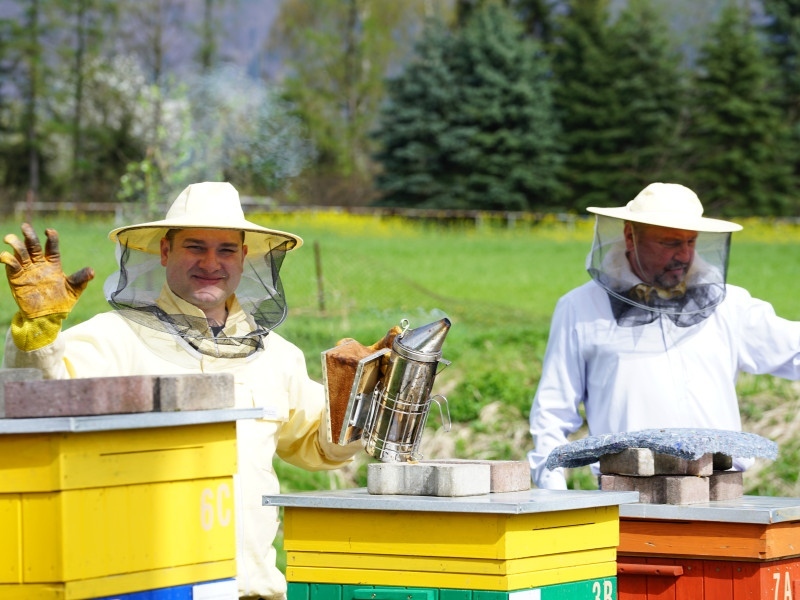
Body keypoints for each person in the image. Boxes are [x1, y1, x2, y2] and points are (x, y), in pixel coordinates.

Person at [0, 181, 361, 600]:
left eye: (226, 249)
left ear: (244, 258)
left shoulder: (278, 356)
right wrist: (37, 336)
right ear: (165, 252)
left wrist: (359, 394)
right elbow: (36, 398)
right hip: (151, 586)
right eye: (195, 246)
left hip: (254, 590)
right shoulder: (114, 337)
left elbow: (319, 448)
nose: (211, 262)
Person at [528, 182, 800, 490]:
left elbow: (794, 350)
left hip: (722, 492)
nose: (683, 255)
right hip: (626, 494)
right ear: (630, 237)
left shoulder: (731, 306)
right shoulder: (579, 307)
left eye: (691, 241)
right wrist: (553, 496)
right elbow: (552, 412)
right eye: (670, 243)